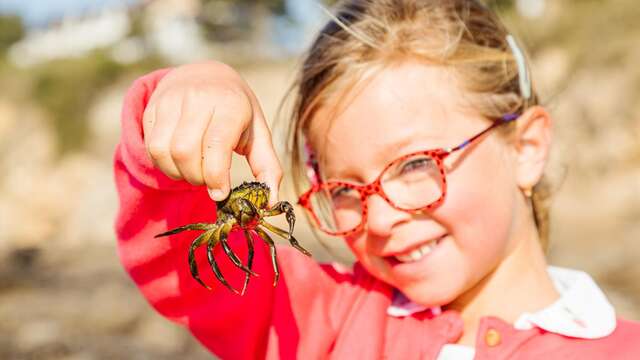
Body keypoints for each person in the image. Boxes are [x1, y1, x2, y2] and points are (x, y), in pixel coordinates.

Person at [113, 0, 640, 358]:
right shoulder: (322, 319)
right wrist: (196, 89)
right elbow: (183, 261)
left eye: (415, 164)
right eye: (343, 190)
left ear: (525, 149)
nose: (383, 219)